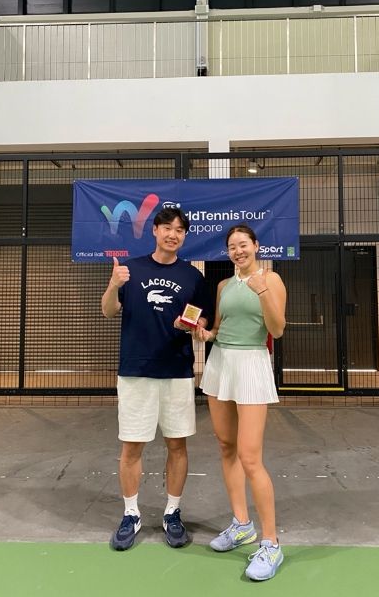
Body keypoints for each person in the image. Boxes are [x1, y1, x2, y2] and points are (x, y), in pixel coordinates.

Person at [101, 207, 210, 551]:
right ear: (155, 230)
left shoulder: (192, 277)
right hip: (136, 371)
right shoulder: (129, 269)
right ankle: (131, 514)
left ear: (184, 235)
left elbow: (201, 321)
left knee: (177, 445)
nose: (172, 234)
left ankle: (172, 512)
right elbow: (108, 310)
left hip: (176, 371)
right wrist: (113, 285)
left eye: (179, 230)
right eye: (167, 228)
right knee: (132, 446)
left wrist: (193, 327)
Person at [192, 224, 286, 581]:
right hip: (221, 363)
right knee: (226, 446)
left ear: (256, 246)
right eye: (232, 246)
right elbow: (219, 326)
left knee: (250, 457)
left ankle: (271, 543)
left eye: (243, 244)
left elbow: (277, 329)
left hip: (251, 364)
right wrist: (205, 334)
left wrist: (262, 291)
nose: (238, 251)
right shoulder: (223, 286)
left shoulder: (271, 280)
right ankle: (242, 524)